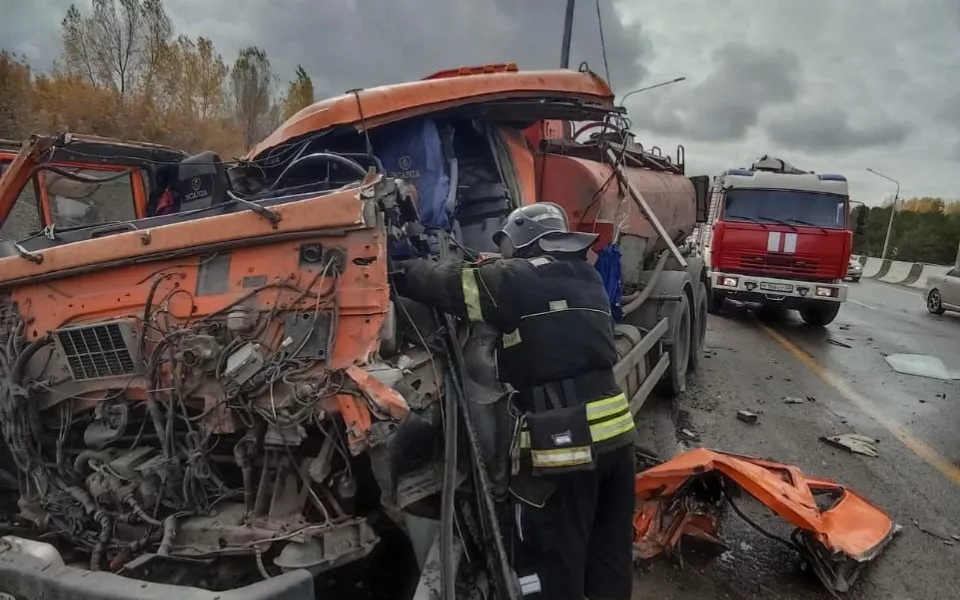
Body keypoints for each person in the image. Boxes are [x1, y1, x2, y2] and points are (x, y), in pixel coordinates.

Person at [391, 202, 635, 600]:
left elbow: (447, 285)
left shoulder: (516, 279)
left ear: (520, 242)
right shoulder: (586, 275)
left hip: (566, 448)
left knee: (551, 565)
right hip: (617, 439)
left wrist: (397, 267)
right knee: (608, 560)